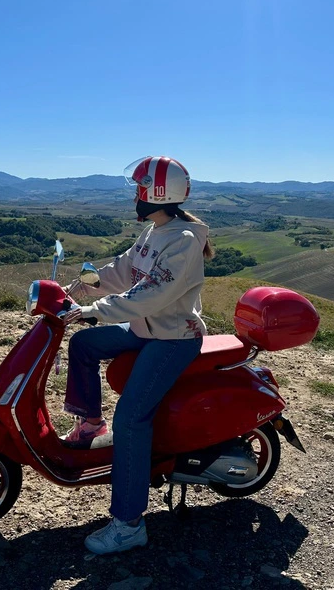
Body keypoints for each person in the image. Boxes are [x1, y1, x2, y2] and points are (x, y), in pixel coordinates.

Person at [61, 155, 214, 555]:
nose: (135, 197)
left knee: (130, 418)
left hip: (172, 338)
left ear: (155, 194)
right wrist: (75, 290)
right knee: (84, 345)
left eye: (139, 189)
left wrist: (95, 311)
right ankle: (90, 424)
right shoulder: (154, 232)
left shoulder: (181, 240)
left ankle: (129, 525)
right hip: (149, 327)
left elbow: (149, 296)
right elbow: (123, 270)